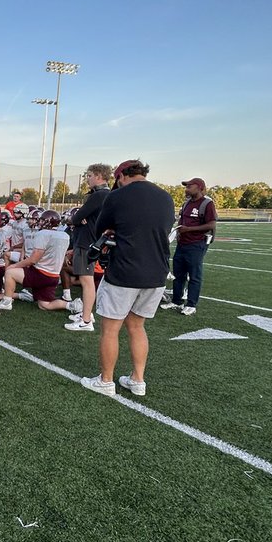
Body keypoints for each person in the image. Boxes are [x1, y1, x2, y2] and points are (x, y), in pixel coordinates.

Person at [80, 159, 175, 398]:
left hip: (125, 270)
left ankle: (106, 380)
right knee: (137, 327)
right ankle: (138, 379)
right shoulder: (166, 197)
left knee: (111, 329)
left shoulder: (118, 196)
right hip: (157, 272)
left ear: (121, 176)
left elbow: (102, 227)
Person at [62, 163, 112, 331]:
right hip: (87, 240)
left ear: (99, 176)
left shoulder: (100, 195)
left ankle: (86, 321)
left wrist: (77, 218)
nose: (87, 179)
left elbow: (77, 218)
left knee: (86, 280)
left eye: (90, 175)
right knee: (86, 280)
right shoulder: (103, 194)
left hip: (87, 242)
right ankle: (86, 313)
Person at [162, 177, 217, 316]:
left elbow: (211, 225)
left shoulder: (207, 204)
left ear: (199, 187)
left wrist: (189, 230)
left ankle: (191, 304)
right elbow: (182, 219)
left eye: (189, 186)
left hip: (197, 243)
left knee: (194, 275)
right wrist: (180, 229)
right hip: (183, 243)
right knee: (178, 274)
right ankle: (177, 301)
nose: (186, 189)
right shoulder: (187, 203)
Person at [0, 210, 71, 311]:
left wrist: (14, 266)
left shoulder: (43, 234)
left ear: (48, 222)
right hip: (54, 276)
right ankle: (74, 306)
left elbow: (33, 260)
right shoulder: (64, 236)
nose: (39, 222)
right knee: (44, 305)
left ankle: (6, 302)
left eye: (42, 220)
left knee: (10, 272)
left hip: (41, 274)